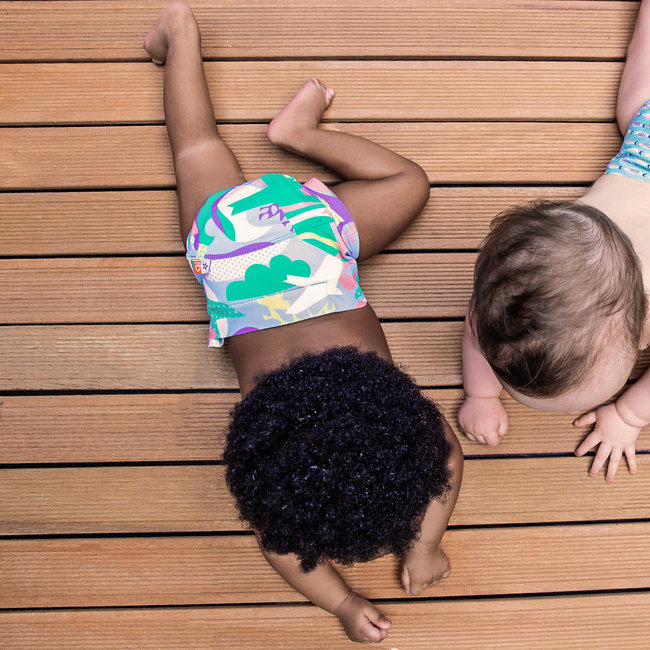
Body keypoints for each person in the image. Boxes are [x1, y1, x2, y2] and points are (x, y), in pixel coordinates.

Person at [144, 3, 463, 643]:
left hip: (315, 242)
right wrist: (355, 596)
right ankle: (180, 35)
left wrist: (403, 559)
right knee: (197, 148)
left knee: (408, 181)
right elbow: (280, 542)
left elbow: (447, 462)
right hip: (230, 253)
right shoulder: (272, 434)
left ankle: (297, 132)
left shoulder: (375, 414)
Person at [458, 1, 650, 482]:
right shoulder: (504, 308)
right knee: (638, 108)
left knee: (638, 106)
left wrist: (628, 414)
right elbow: (478, 337)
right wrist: (481, 393)